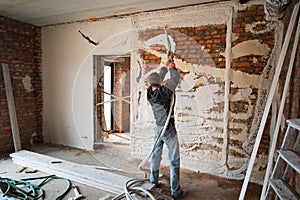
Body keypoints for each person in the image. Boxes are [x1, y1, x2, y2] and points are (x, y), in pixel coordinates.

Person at [147, 61, 188, 198]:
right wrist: (172, 68)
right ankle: (175, 191)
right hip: (168, 129)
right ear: (159, 82)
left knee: (156, 155)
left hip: (158, 128)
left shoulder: (149, 93)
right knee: (174, 159)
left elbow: (158, 78)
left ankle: (154, 181)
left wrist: (165, 67)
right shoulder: (164, 92)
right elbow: (175, 79)